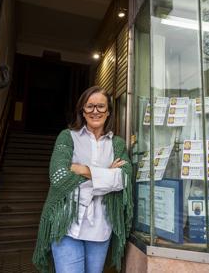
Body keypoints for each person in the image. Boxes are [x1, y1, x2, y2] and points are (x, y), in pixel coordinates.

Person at [32, 86, 133, 273]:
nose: (95, 111)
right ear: (82, 110)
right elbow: (59, 177)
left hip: (101, 228)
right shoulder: (67, 137)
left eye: (101, 106)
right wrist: (106, 175)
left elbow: (124, 179)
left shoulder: (116, 143)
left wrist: (82, 170)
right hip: (66, 225)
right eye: (90, 106)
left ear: (108, 111)